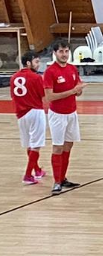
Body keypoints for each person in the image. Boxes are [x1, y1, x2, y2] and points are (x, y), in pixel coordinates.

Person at [44, 40, 86, 195]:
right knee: (58, 147)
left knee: (68, 145)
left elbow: (77, 90)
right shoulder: (50, 72)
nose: (64, 54)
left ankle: (62, 178)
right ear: (55, 53)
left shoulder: (72, 69)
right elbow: (49, 97)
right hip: (57, 115)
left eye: (67, 51)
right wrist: (72, 91)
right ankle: (56, 182)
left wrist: (79, 90)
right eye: (61, 51)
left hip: (72, 113)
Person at [10, 51, 47, 185]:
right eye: (36, 62)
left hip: (21, 114)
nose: (38, 64)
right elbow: (43, 96)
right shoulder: (36, 78)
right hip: (35, 112)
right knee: (36, 145)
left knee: (30, 144)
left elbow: (13, 96)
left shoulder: (13, 77)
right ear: (28, 63)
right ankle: (27, 175)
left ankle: (37, 170)